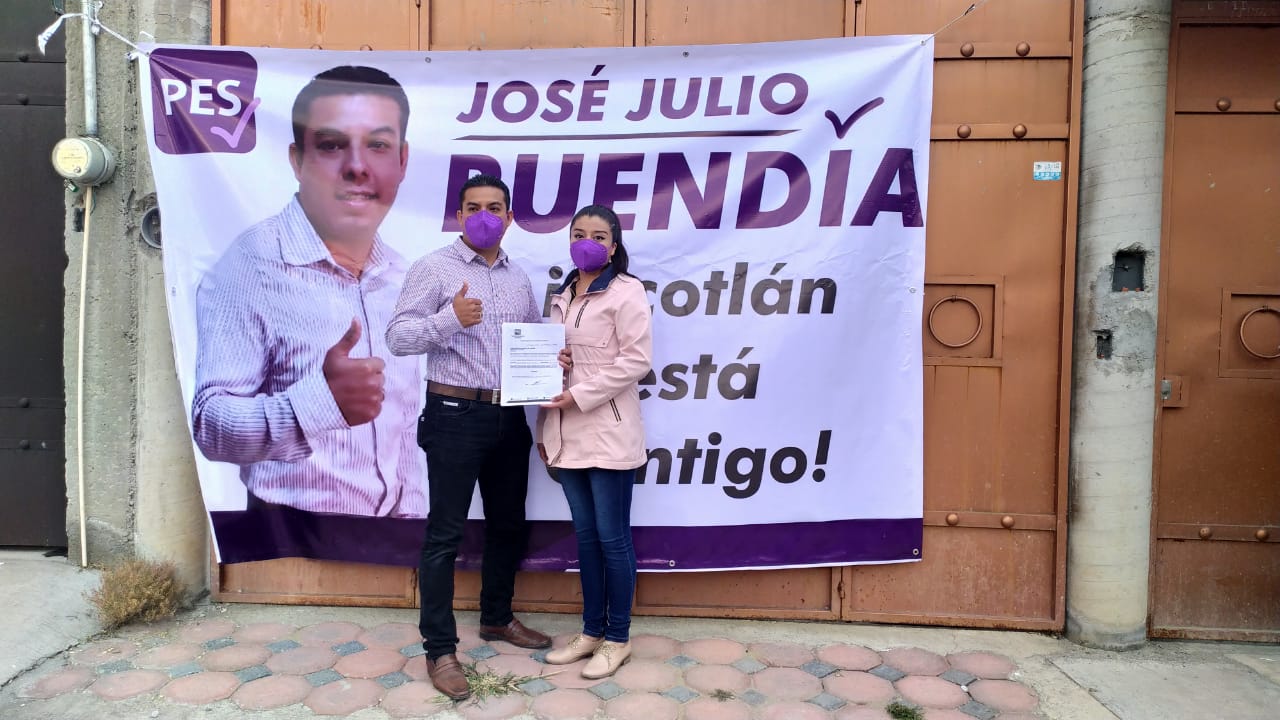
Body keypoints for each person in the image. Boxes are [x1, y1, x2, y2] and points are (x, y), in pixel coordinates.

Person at [191, 65, 424, 518]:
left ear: (402, 160)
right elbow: (211, 426)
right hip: (290, 534)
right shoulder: (253, 264)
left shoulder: (402, 276)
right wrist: (316, 405)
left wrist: (412, 521)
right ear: (297, 160)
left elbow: (404, 430)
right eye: (332, 145)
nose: (357, 167)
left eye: (378, 145)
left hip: (393, 534)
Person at [385, 174, 551, 700]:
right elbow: (397, 337)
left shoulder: (518, 278)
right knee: (445, 534)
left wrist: (554, 360)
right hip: (454, 413)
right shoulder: (434, 268)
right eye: (473, 207)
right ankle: (440, 649)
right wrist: (449, 320)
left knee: (508, 525)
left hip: (508, 416)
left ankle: (497, 617)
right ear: (459, 216)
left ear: (509, 216)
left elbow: (531, 343)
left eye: (494, 207)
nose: (484, 216)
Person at [538, 204, 653, 679]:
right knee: (586, 538)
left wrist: (579, 393)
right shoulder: (563, 293)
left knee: (612, 538)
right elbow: (556, 358)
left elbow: (636, 361)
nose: (587, 242)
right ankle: (590, 632)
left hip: (607, 430)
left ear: (613, 246)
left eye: (598, 236)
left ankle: (618, 638)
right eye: (578, 234)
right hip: (566, 432)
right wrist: (558, 361)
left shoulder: (627, 291)